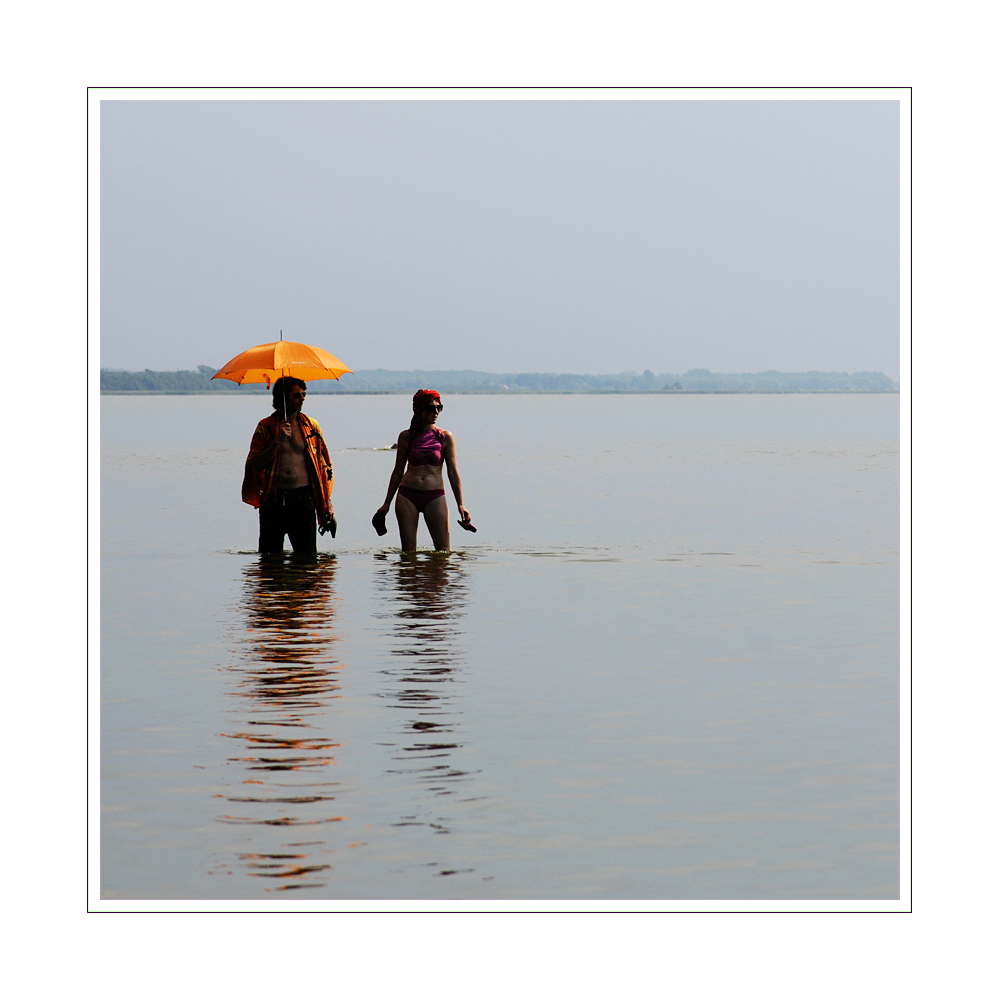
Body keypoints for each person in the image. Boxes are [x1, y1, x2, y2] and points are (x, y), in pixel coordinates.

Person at [242, 377, 336, 554]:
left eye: (303, 394)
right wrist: (277, 441)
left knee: (306, 559)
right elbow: (256, 464)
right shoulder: (266, 427)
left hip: (303, 499)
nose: (302, 398)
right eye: (297, 395)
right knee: (269, 559)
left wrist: (327, 505)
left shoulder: (311, 427)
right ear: (283, 398)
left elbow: (323, 467)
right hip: (273, 500)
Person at [373, 389, 472, 552]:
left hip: (434, 496)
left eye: (439, 408)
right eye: (431, 408)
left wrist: (461, 505)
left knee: (443, 553)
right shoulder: (406, 437)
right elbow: (398, 471)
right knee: (408, 554)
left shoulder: (445, 437)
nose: (436, 412)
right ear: (419, 410)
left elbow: (453, 472)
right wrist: (386, 504)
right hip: (407, 496)